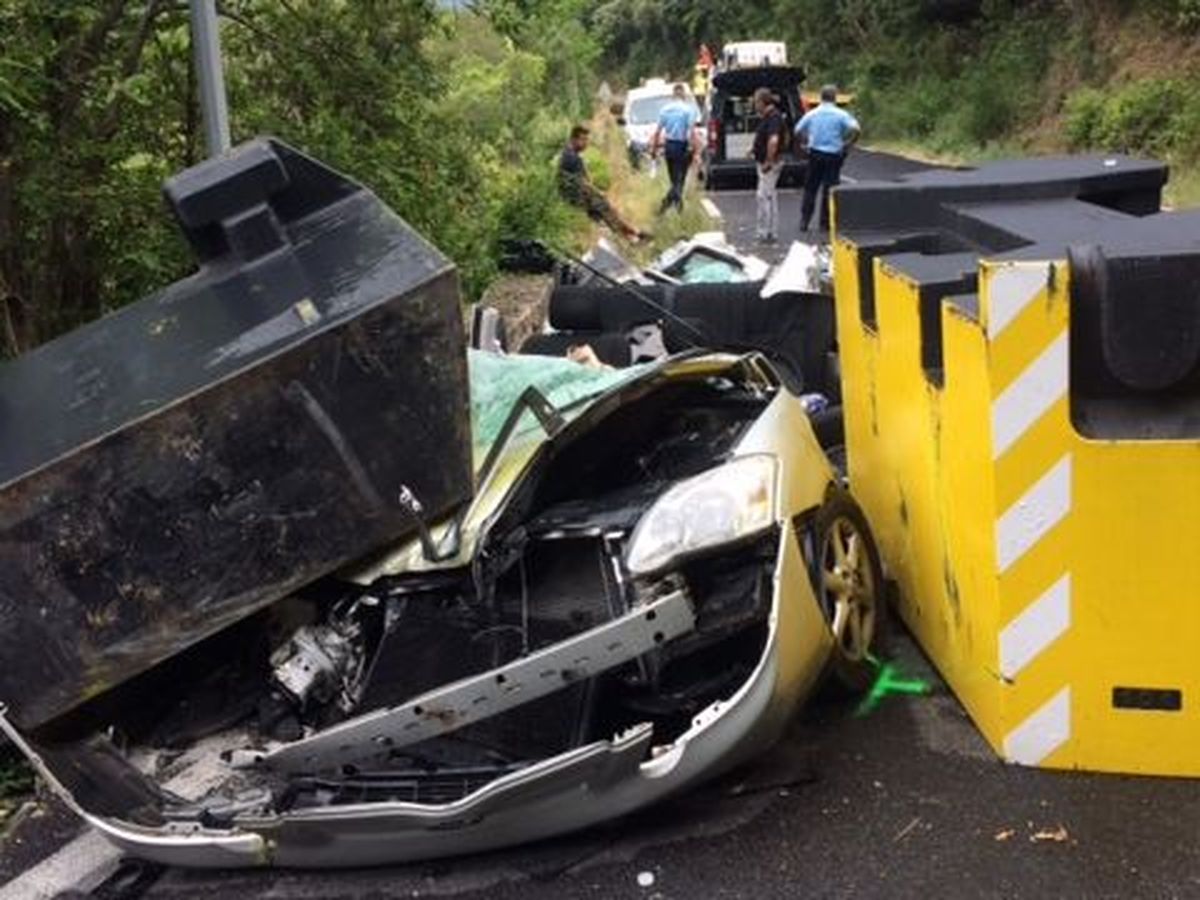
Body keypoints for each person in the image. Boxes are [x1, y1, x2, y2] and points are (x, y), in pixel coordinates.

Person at [558, 125, 646, 241]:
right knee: (608, 211)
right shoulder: (572, 157)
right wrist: (598, 192)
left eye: (587, 139)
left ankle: (632, 236)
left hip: (574, 195)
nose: (586, 143)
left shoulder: (567, 152)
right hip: (578, 195)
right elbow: (583, 182)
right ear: (574, 139)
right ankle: (635, 235)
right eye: (583, 139)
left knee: (604, 216)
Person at [794, 84, 860, 232]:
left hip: (815, 153)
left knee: (811, 188)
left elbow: (797, 130)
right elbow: (856, 129)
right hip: (833, 155)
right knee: (829, 189)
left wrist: (804, 143)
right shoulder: (841, 114)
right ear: (834, 97)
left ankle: (804, 221)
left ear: (821, 97)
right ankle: (825, 223)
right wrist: (848, 144)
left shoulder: (812, 114)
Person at [651, 84, 700, 214]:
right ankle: (666, 205)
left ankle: (677, 209)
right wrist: (696, 151)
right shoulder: (688, 110)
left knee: (674, 179)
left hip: (669, 146)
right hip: (682, 146)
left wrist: (654, 150)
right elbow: (691, 132)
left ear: (673, 95)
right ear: (683, 95)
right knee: (679, 181)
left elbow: (657, 132)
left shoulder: (665, 110)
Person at [751, 87, 787, 244]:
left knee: (764, 196)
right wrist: (754, 148)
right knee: (770, 195)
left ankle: (765, 232)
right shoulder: (770, 116)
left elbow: (773, 140)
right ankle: (770, 231)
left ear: (762, 102)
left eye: (756, 101)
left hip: (770, 163)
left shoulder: (773, 117)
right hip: (769, 161)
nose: (754, 105)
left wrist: (768, 161)